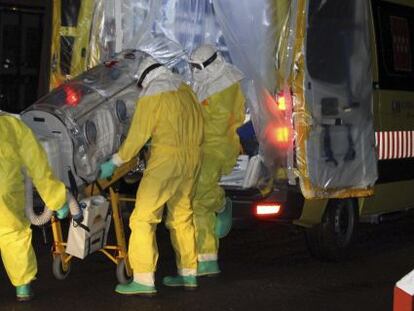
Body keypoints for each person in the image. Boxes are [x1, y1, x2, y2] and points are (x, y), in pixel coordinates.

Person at [99, 55, 203, 295]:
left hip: (166, 161)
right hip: (192, 160)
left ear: (145, 78)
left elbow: (137, 136)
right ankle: (189, 275)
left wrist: (115, 161)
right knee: (182, 216)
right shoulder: (185, 90)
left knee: (143, 218)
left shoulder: (153, 93)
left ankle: (144, 280)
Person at [189, 45, 245, 276]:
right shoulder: (209, 81)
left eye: (196, 67)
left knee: (201, 198)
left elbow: (218, 125)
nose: (193, 71)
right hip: (201, 146)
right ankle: (205, 259)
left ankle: (221, 205)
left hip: (218, 147)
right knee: (194, 199)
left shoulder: (226, 85)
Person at [0, 112, 69, 302]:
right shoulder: (12, 125)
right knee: (12, 233)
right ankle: (22, 287)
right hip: (4, 190)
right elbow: (38, 166)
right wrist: (57, 199)